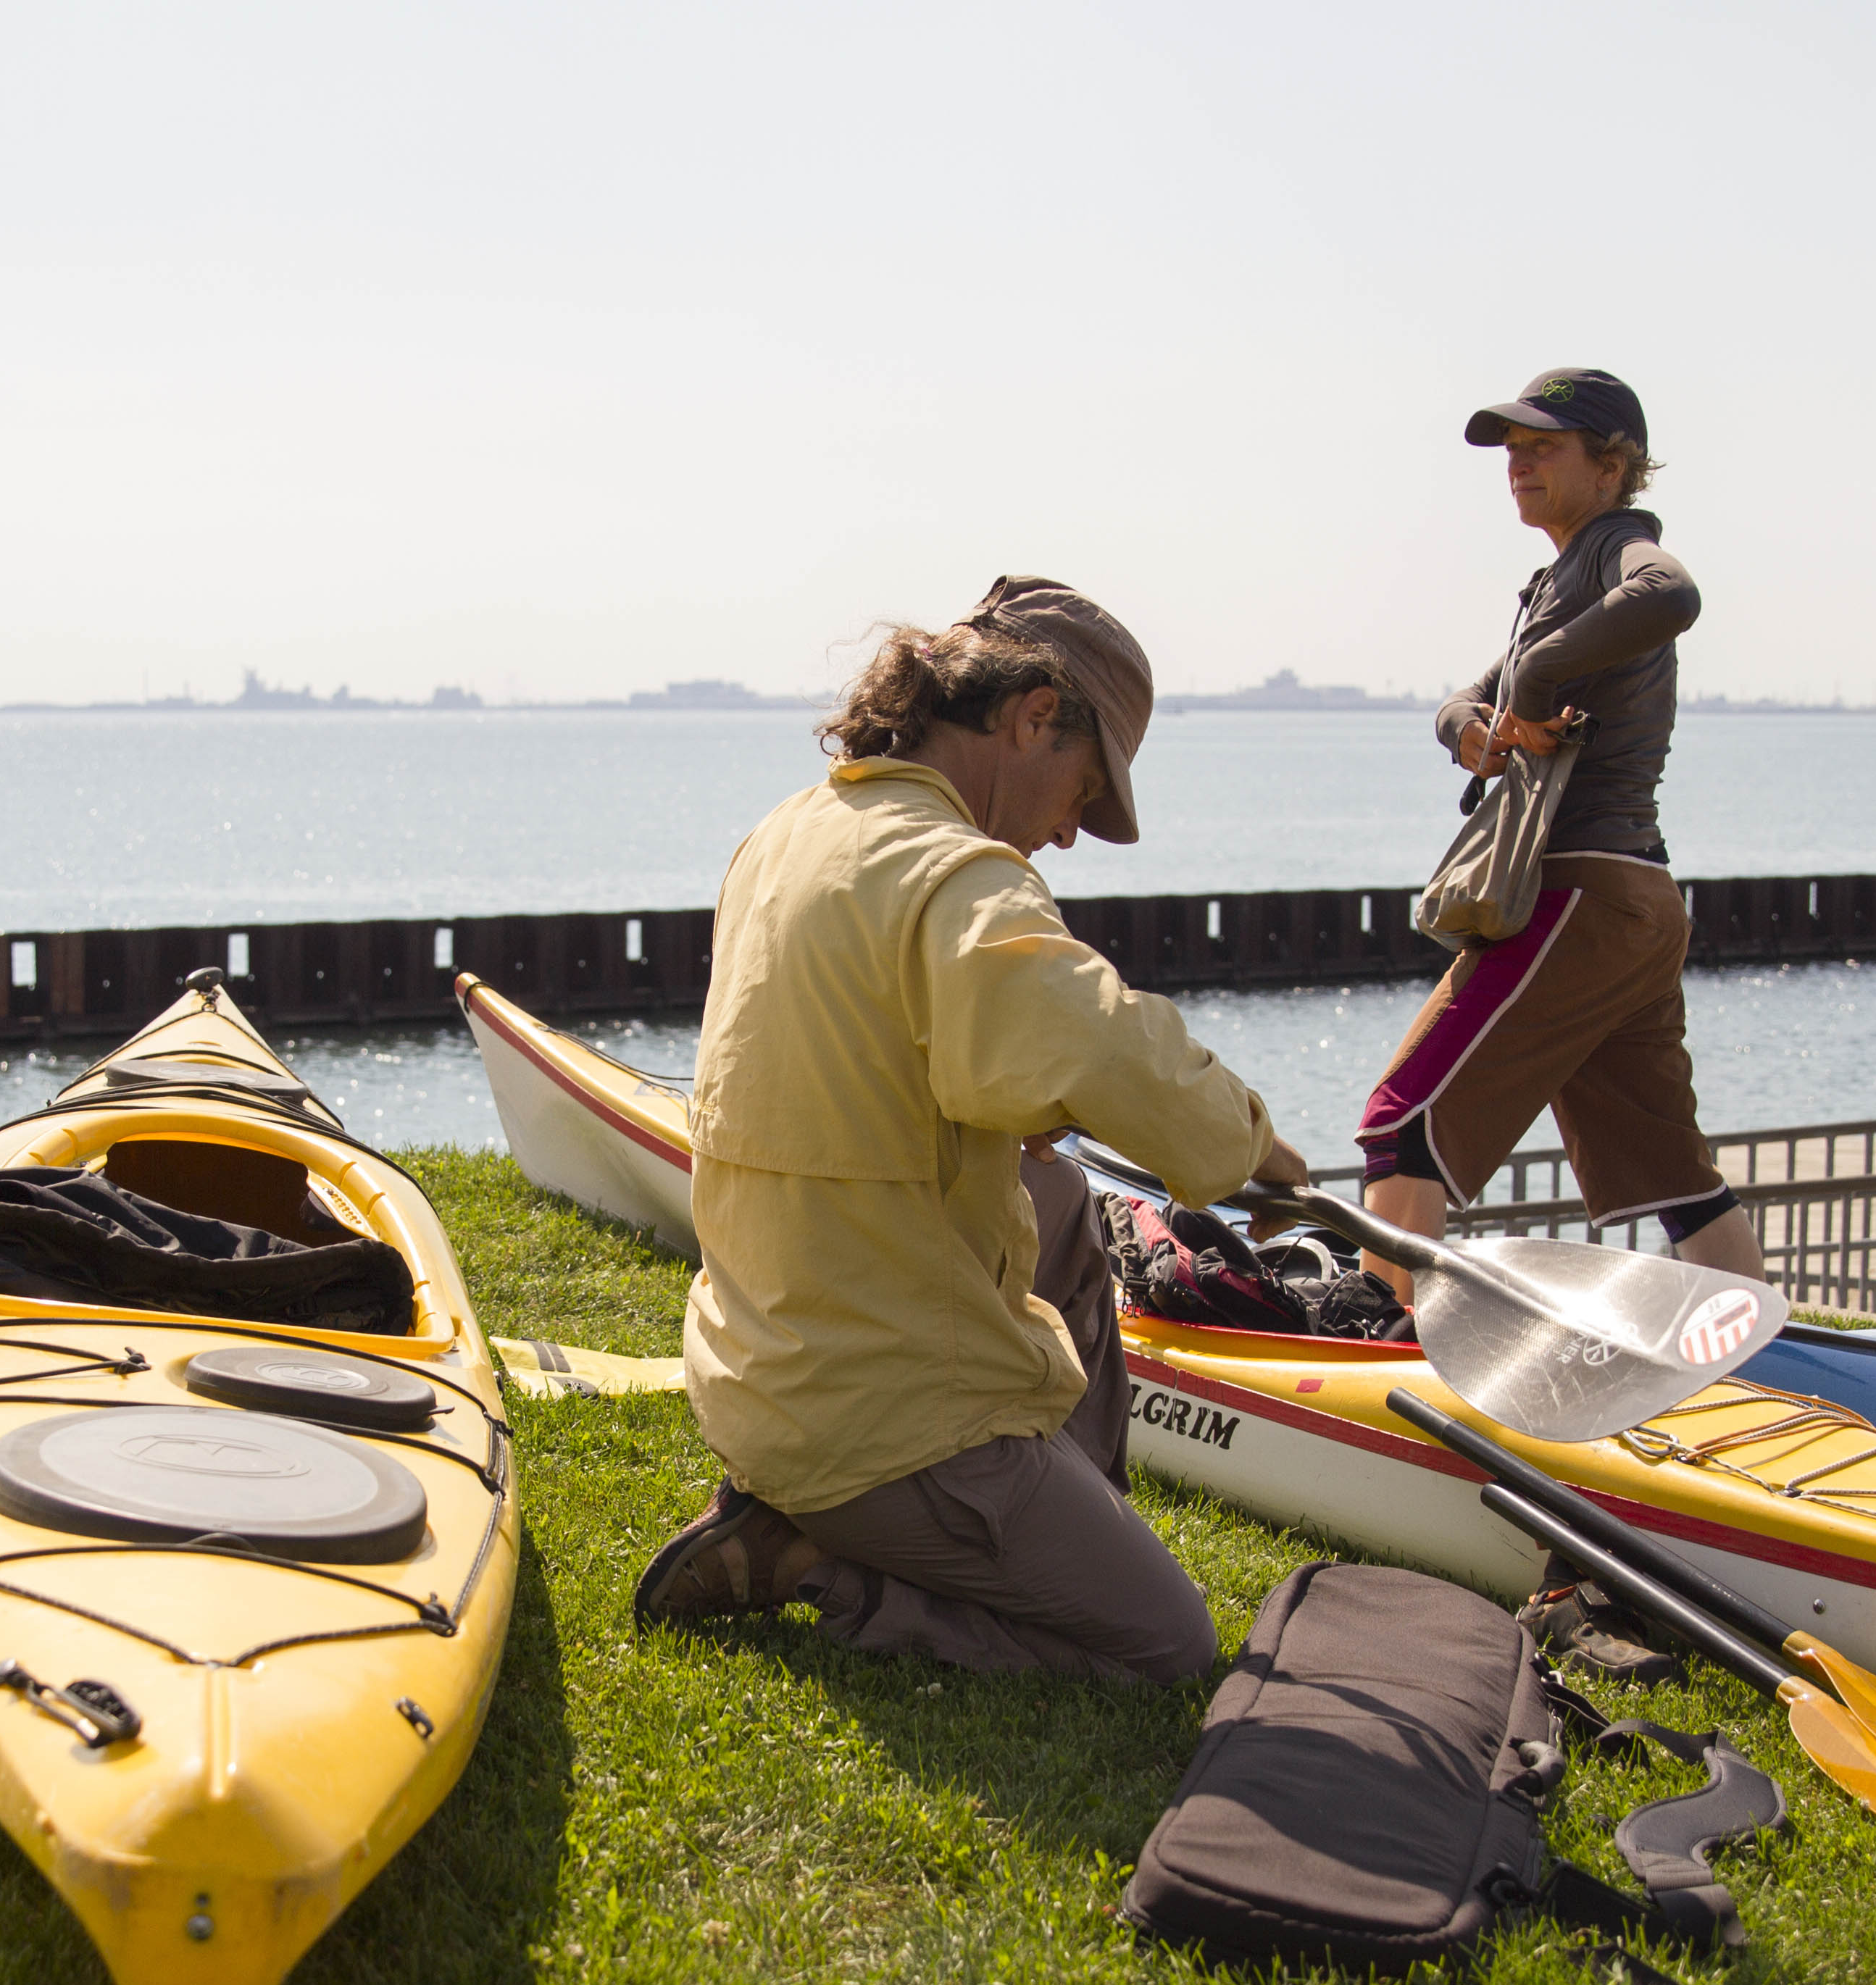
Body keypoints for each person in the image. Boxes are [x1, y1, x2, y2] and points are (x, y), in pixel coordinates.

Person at [633, 577, 1307, 1680]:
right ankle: (819, 1568)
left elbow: (890, 1046)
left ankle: (1050, 1518)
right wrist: (1249, 1145)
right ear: (1034, 715)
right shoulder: (957, 871)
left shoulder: (794, 831)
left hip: (762, 1367)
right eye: (1083, 794)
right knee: (1169, 1645)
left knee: (1067, 1208)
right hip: (877, 1426)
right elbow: (1100, 1040)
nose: (1070, 835)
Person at [1354, 367, 1758, 1295]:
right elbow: (1462, 700)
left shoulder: (1622, 552)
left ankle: (1375, 1341)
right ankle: (1759, 1345)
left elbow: (1674, 596)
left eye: (1544, 447)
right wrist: (1481, 735)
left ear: (1614, 468)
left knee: (1404, 1121)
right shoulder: (1563, 576)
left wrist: (1533, 683)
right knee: (1673, 1173)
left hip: (1584, 890)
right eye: (1512, 450)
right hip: (1638, 904)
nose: (1518, 464)